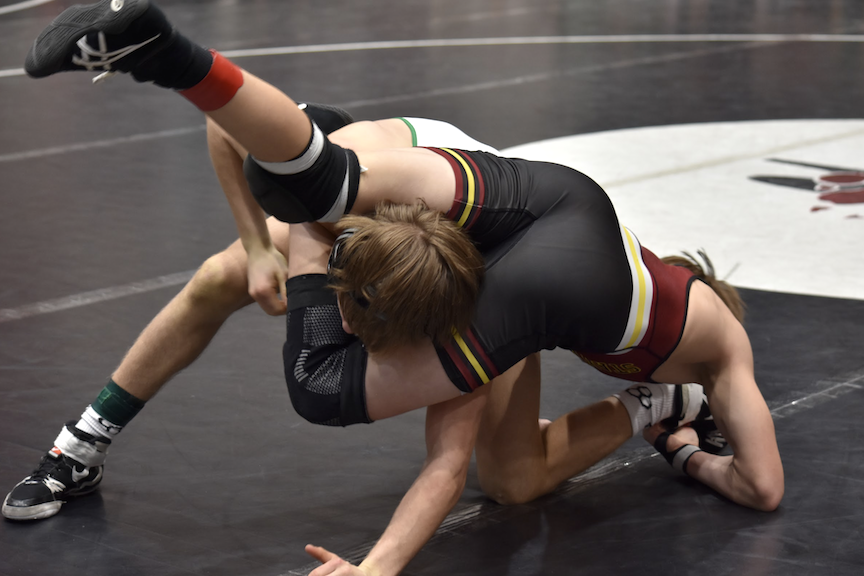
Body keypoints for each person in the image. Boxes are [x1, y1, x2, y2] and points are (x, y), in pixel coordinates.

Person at [10, 2, 784, 575]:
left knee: (510, 483)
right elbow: (232, 133)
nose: (352, 326)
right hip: (502, 214)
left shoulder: (515, 302)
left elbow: (448, 462)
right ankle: (79, 445)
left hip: (521, 238)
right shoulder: (362, 182)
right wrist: (255, 246)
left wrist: (376, 568)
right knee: (240, 272)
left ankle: (655, 407)